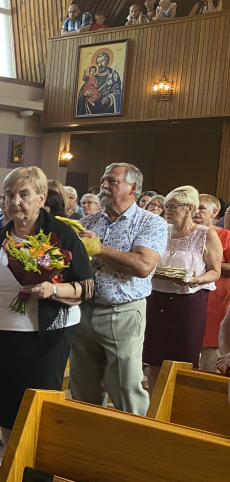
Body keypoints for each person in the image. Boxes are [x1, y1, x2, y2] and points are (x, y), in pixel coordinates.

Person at [0, 167, 94, 445]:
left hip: (46, 335)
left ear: (41, 198)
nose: (15, 202)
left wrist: (53, 289)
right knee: (6, 407)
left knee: (37, 407)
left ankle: (36, 471)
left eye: (24, 194)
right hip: (0, 332)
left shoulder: (62, 235)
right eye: (9, 195)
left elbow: (88, 287)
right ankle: (11, 469)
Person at [70, 163, 167, 415]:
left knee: (126, 386)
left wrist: (99, 248)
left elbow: (144, 266)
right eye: (103, 180)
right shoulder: (88, 221)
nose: (104, 186)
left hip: (122, 311)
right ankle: (90, 446)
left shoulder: (150, 223)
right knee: (83, 387)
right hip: (85, 310)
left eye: (111, 181)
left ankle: (138, 446)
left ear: (132, 187)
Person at [143, 186, 220, 391]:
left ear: (189, 208)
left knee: (183, 358)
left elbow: (215, 271)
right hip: (156, 298)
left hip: (189, 303)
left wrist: (195, 280)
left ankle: (177, 409)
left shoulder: (206, 235)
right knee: (154, 357)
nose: (167, 210)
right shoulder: (162, 231)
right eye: (166, 206)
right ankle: (154, 408)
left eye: (172, 206)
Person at [197, 194, 230, 371]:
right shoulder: (183, 233)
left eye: (201, 207)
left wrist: (213, 264)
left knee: (210, 358)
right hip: (189, 298)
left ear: (214, 212)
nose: (196, 211)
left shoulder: (225, 235)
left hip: (217, 301)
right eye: (194, 206)